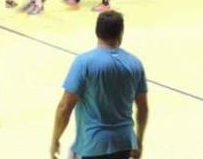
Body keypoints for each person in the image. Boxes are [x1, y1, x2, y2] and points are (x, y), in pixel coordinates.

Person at [51, 11, 148, 159]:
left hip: (93, 145)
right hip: (124, 143)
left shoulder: (84, 63)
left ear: (97, 32)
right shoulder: (135, 64)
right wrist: (139, 141)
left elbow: (65, 107)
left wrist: (55, 139)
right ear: (121, 33)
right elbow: (143, 108)